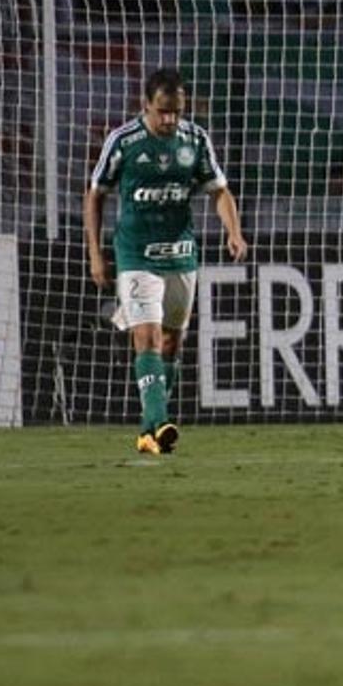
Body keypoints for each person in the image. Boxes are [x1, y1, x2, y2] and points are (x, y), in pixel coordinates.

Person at [84, 69, 248, 456]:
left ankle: (148, 431)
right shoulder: (123, 141)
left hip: (180, 254)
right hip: (136, 255)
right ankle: (160, 423)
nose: (170, 120)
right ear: (145, 105)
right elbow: (95, 195)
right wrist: (95, 253)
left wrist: (234, 232)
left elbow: (219, 190)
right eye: (162, 112)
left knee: (172, 341)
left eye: (176, 111)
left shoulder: (195, 140)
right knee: (147, 337)